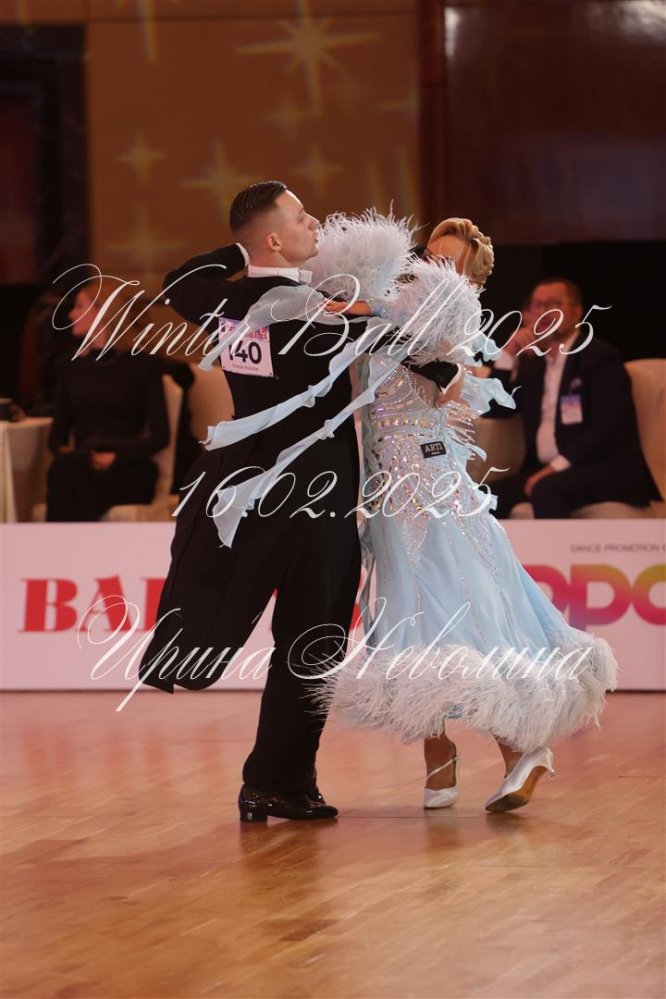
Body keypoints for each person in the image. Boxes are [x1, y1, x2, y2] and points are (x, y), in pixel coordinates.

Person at [138, 183, 456, 823]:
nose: (317, 224)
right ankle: (276, 781)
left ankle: (278, 780)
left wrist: (246, 250)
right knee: (314, 639)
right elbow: (394, 339)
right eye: (302, 217)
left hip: (246, 486)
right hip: (314, 494)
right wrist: (446, 370)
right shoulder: (315, 306)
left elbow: (180, 279)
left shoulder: (220, 298)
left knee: (261, 618)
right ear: (274, 238)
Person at [313, 216, 618, 814]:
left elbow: (447, 384)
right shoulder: (388, 314)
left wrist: (373, 316)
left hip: (430, 484)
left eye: (447, 263)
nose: (430, 268)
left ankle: (520, 749)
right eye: (428, 255)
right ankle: (438, 754)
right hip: (386, 487)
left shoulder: (448, 321)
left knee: (458, 611)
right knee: (407, 615)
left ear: (468, 283)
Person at [488, 277, 660, 518]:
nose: (543, 312)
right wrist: (508, 354)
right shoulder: (533, 367)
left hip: (603, 468)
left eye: (553, 304)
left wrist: (554, 468)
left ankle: (552, 545)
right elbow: (495, 409)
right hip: (549, 471)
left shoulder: (599, 357)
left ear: (577, 312)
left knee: (547, 489)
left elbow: (608, 426)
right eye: (537, 305)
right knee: (483, 496)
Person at [46, 282, 169, 521]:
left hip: (126, 467)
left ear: (102, 311)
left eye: (79, 306)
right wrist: (68, 454)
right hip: (82, 463)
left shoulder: (143, 366)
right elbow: (56, 436)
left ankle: (60, 543)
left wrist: (115, 458)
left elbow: (160, 435)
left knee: (67, 476)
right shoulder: (69, 368)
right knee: (67, 470)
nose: (71, 315)